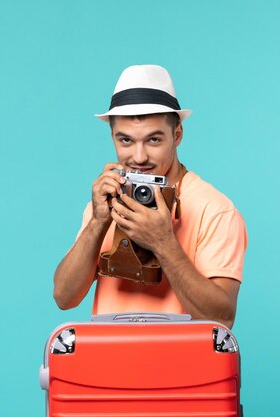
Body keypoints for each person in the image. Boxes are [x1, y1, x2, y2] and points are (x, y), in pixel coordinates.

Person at [53, 65, 247, 328]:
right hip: (111, 363)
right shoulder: (108, 200)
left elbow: (221, 320)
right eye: (126, 141)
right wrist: (98, 222)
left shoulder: (214, 210)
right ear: (112, 137)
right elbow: (64, 297)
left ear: (177, 135)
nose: (139, 157)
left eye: (153, 140)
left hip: (185, 366)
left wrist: (163, 242)